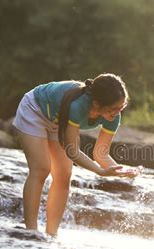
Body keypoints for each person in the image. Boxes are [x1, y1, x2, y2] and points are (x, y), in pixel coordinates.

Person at [12, 73, 136, 235]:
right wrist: (99, 171)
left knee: (64, 175)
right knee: (42, 169)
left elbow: (101, 154)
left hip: (59, 120)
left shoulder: (114, 116)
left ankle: (52, 234)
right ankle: (31, 231)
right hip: (35, 109)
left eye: (121, 107)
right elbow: (72, 151)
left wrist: (120, 171)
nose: (117, 113)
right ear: (96, 104)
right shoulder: (78, 106)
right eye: (113, 110)